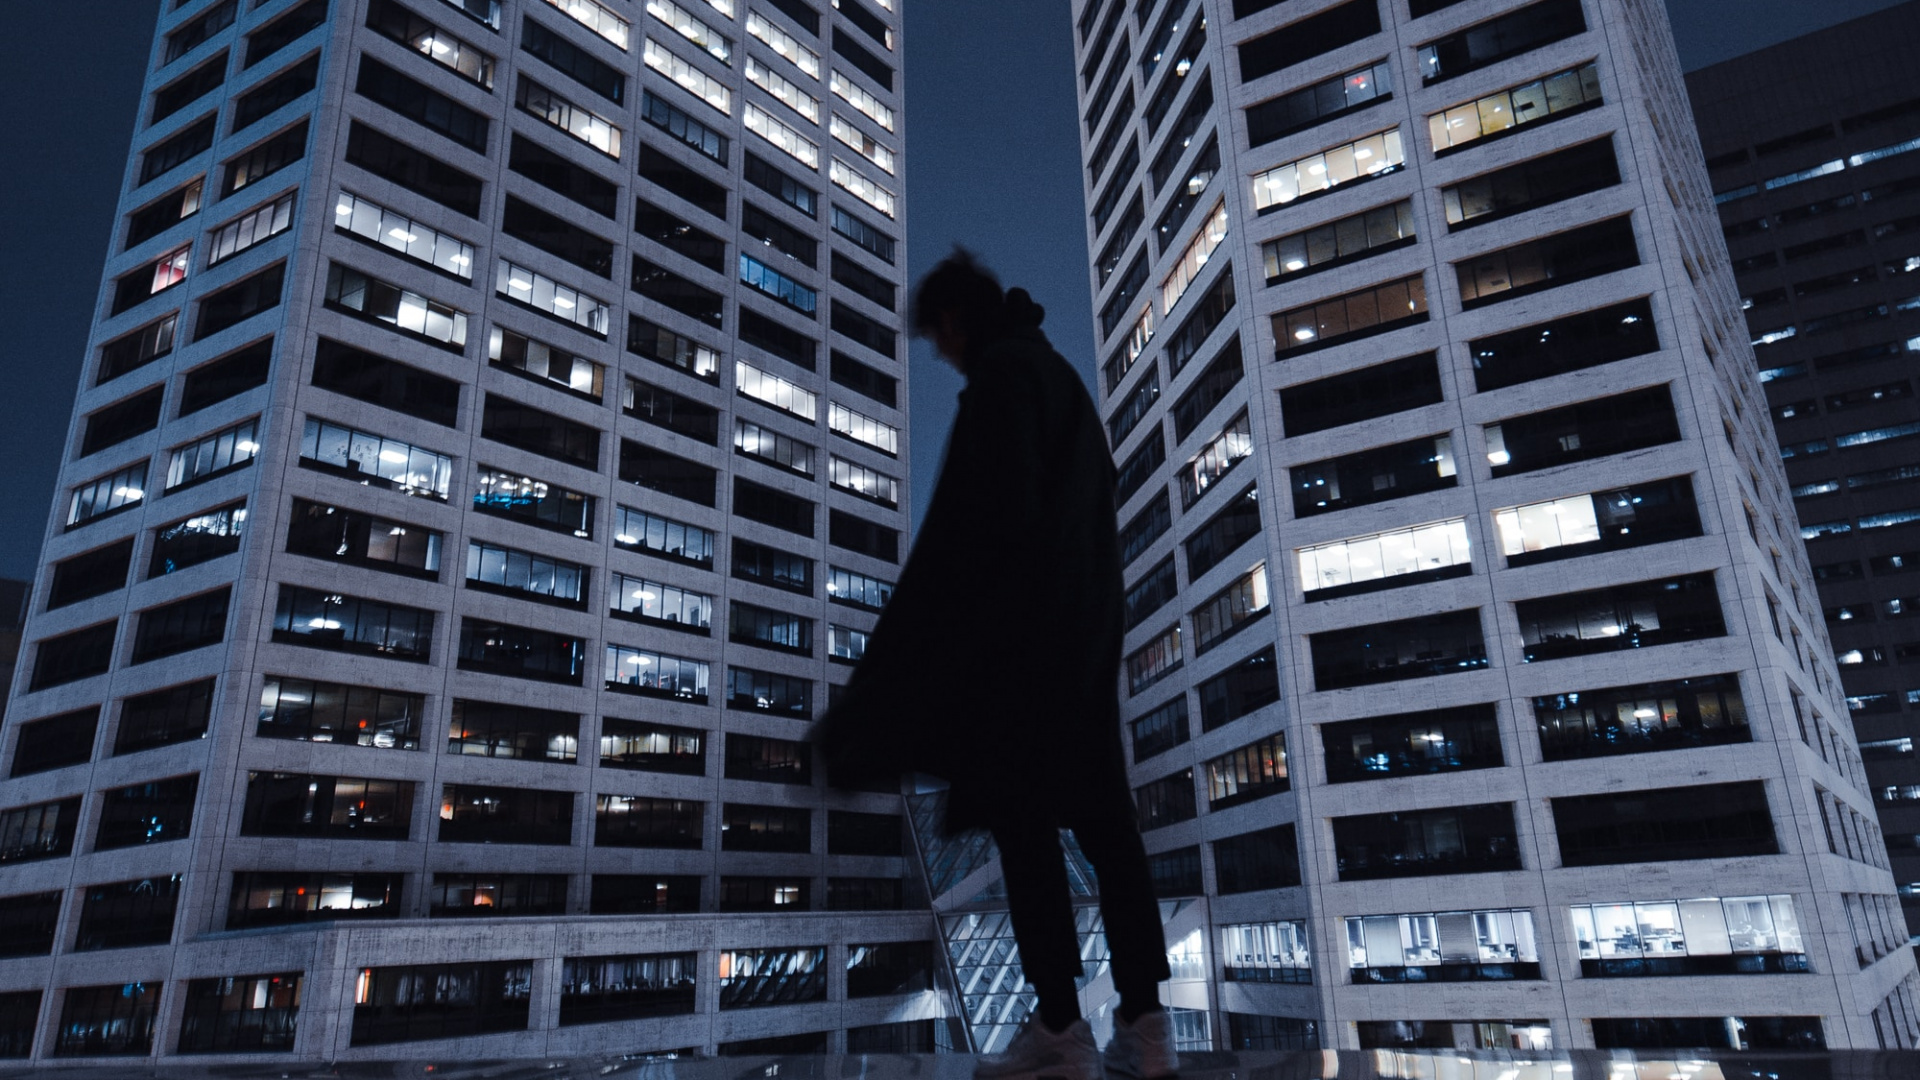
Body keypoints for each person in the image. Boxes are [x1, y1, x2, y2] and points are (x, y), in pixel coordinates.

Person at [817, 250, 1176, 1080]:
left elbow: (965, 540)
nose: (941, 357)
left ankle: (1059, 1025)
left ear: (953, 322)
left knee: (1024, 829)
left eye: (938, 340)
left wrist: (888, 689)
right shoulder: (1058, 380)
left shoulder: (1004, 384)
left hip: (1027, 652)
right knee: (1107, 830)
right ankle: (1145, 1022)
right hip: (1085, 639)